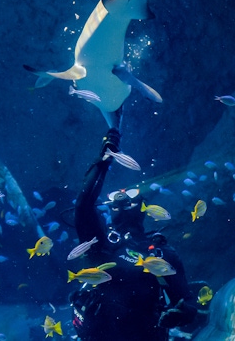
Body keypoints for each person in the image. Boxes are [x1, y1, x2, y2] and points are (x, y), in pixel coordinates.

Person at [70, 128, 197, 341]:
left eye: (130, 195)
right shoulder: (101, 242)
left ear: (142, 207)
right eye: (116, 199)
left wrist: (183, 314)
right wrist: (104, 158)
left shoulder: (161, 252)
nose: (122, 199)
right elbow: (83, 206)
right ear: (109, 208)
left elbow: (187, 301)